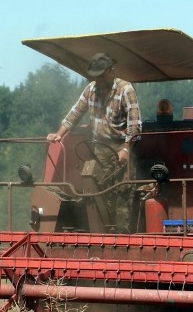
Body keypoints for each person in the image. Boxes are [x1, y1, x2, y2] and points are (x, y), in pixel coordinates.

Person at [46, 52, 142, 230]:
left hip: (123, 146)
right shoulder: (91, 89)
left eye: (101, 75)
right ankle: (100, 233)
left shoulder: (125, 90)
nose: (98, 80)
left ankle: (122, 238)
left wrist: (126, 149)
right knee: (97, 191)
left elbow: (134, 125)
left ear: (111, 71)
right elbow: (75, 113)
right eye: (95, 76)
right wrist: (60, 134)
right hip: (99, 149)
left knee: (123, 192)